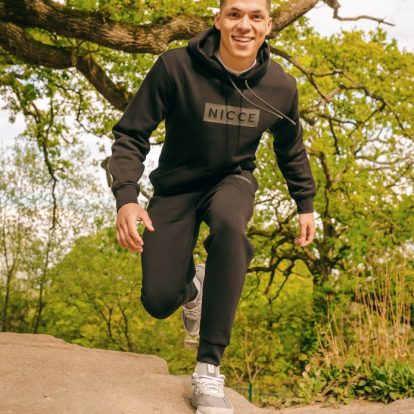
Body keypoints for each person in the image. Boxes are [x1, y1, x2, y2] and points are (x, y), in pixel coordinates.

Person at [108, 0, 316, 412]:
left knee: (230, 226)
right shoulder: (175, 67)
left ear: (268, 26)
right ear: (217, 20)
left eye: (255, 17)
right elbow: (131, 134)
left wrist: (305, 203)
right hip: (176, 187)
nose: (244, 25)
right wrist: (127, 198)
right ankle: (191, 285)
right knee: (158, 300)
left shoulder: (280, 87)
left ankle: (208, 369)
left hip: (232, 180)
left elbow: (291, 149)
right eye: (234, 14)